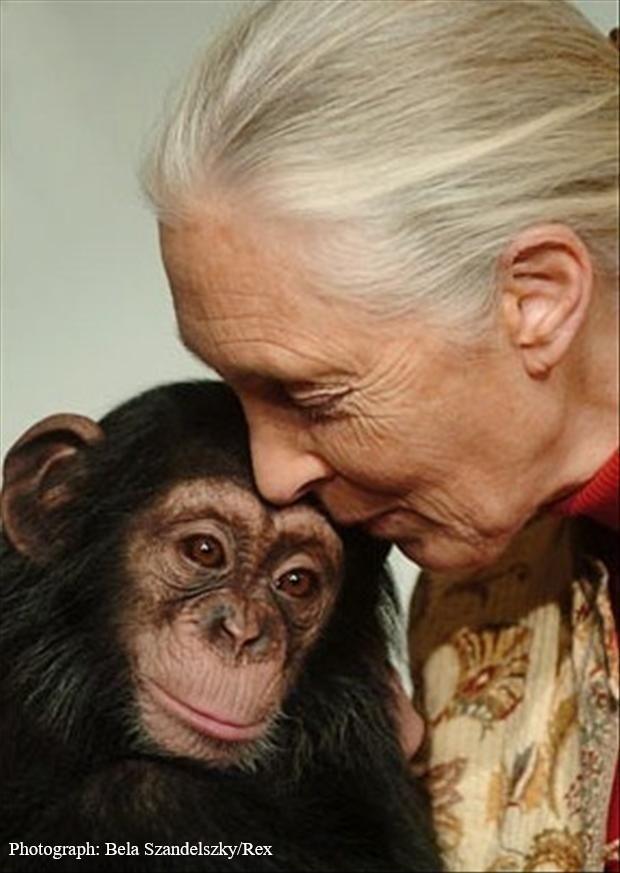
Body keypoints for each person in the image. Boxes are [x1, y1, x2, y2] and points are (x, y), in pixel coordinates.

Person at [140, 1, 618, 869]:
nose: (272, 475)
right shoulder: (461, 590)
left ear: (537, 301)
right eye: (237, 390)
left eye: (310, 394)